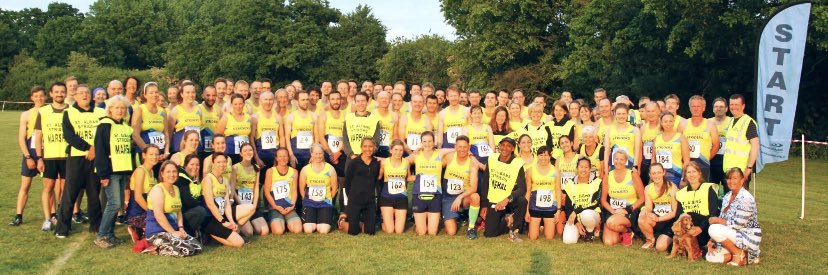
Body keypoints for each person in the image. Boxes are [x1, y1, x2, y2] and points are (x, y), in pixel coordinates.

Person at [55, 84, 105, 238]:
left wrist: (95, 149)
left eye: (87, 93)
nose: (84, 95)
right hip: (76, 158)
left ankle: (96, 226)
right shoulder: (68, 112)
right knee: (70, 194)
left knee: (94, 193)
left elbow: (104, 134)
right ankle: (62, 228)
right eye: (81, 93)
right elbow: (69, 136)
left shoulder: (100, 112)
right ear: (75, 96)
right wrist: (88, 147)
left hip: (95, 157)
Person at [93, 95, 135, 248]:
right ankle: (102, 235)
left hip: (123, 170)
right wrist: (103, 174)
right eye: (117, 107)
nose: (120, 110)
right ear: (110, 109)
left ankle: (110, 234)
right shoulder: (105, 125)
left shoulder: (124, 125)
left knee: (117, 205)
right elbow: (101, 150)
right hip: (111, 171)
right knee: (114, 203)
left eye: (123, 108)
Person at [144, 161, 202, 256]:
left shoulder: (176, 188)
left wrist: (181, 228)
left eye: (174, 171)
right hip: (157, 232)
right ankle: (154, 249)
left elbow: (178, 211)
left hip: (173, 231)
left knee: (198, 247)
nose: (172, 174)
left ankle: (162, 247)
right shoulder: (158, 189)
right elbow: (158, 215)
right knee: (188, 250)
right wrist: (173, 232)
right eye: (168, 172)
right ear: (162, 174)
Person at [708, 168, 761, 266]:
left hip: (746, 235)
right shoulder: (727, 195)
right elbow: (723, 218)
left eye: (735, 178)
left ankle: (738, 253)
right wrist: (711, 240)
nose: (731, 181)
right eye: (729, 178)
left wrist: (716, 220)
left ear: (742, 180)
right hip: (732, 235)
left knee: (713, 228)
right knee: (710, 257)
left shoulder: (746, 198)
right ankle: (742, 255)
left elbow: (737, 225)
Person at [34, 82, 68, 231]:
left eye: (62, 92)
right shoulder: (43, 111)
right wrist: (39, 158)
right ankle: (48, 218)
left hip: (68, 157)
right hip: (49, 157)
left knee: (66, 190)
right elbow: (38, 136)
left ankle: (63, 217)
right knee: (48, 188)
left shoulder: (71, 111)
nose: (59, 94)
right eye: (57, 92)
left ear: (66, 93)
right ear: (51, 94)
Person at [10, 86, 46, 226]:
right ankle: (19, 215)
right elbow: (21, 138)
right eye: (36, 96)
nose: (39, 98)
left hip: (46, 153)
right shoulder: (26, 114)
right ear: (32, 98)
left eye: (41, 95)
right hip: (30, 154)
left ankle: (50, 216)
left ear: (46, 97)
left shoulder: (49, 112)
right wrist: (28, 157)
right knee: (25, 186)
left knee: (48, 188)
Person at [483, 137, 527, 242]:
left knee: (522, 201)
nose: (505, 148)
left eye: (508, 146)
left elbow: (522, 188)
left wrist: (507, 199)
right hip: (494, 199)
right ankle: (507, 220)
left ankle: (515, 230)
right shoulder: (492, 159)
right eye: (503, 145)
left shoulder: (517, 163)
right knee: (489, 234)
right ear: (499, 146)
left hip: (509, 200)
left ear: (512, 149)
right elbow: (485, 182)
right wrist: (484, 205)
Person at [600, 150, 645, 246]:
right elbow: (603, 201)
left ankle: (628, 230)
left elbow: (642, 198)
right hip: (614, 211)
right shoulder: (608, 176)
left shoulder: (633, 174)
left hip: (629, 211)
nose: (618, 162)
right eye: (616, 159)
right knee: (609, 242)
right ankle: (623, 231)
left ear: (626, 161)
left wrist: (627, 209)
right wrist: (613, 211)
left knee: (611, 223)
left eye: (621, 159)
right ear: (613, 160)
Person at [201, 152, 246, 247]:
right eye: (218, 162)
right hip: (210, 218)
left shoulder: (225, 180)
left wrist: (231, 221)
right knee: (239, 243)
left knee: (250, 208)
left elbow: (227, 204)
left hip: (221, 217)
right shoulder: (208, 179)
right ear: (213, 163)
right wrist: (223, 222)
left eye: (224, 162)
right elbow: (210, 204)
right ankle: (210, 234)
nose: (222, 165)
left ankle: (220, 236)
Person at [440, 136, 481, 239]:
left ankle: (471, 228)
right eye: (459, 147)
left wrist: (459, 197)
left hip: (463, 197)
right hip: (448, 197)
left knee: (475, 197)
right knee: (451, 232)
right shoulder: (450, 157)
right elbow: (437, 157)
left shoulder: (472, 163)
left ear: (469, 147)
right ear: (455, 147)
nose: (462, 149)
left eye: (465, 147)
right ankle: (458, 214)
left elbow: (473, 188)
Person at [676, 162, 720, 254]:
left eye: (694, 171)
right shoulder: (681, 193)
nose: (691, 175)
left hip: (706, 225)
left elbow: (714, 213)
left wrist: (700, 228)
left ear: (699, 173)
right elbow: (679, 215)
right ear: (685, 175)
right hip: (689, 226)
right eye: (688, 172)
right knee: (688, 217)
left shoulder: (708, 189)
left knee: (692, 215)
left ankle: (706, 244)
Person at [637, 163, 678, 251]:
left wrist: (659, 219)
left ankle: (668, 237)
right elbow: (648, 207)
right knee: (641, 217)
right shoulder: (648, 188)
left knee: (660, 247)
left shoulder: (673, 188)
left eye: (659, 172)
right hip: (657, 218)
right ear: (650, 175)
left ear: (664, 172)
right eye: (654, 173)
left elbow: (675, 212)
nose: (656, 176)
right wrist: (644, 211)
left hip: (670, 221)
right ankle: (651, 239)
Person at [344, 138, 381, 235]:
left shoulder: (376, 163)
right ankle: (342, 221)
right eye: (365, 146)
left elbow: (377, 179)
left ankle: (360, 222)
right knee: (353, 232)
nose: (367, 149)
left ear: (374, 148)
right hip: (355, 200)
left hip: (369, 202)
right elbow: (347, 182)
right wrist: (351, 198)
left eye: (370, 146)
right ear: (361, 147)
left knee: (370, 232)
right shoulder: (353, 163)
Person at [409, 131, 443, 236]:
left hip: (435, 194)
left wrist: (470, 153)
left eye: (429, 141)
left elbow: (456, 149)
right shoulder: (416, 156)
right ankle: (420, 222)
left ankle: (428, 218)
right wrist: (413, 177)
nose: (427, 144)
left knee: (432, 233)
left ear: (434, 142)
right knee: (422, 232)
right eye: (424, 141)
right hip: (419, 195)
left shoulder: (440, 154)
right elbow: (401, 162)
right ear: (421, 142)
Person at [299, 144, 338, 234]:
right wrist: (306, 200)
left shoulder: (330, 169)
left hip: (325, 203)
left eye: (320, 153)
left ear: (323, 154)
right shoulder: (305, 169)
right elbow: (301, 189)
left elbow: (335, 188)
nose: (318, 156)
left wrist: (328, 200)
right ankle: (313, 217)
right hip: (310, 203)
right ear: (311, 154)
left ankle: (323, 216)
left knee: (323, 230)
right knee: (308, 230)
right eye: (316, 153)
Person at [124, 145, 160, 242]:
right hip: (137, 213)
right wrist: (153, 212)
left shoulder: (152, 172)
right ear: (144, 155)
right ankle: (135, 228)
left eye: (157, 154)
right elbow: (138, 197)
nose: (154, 157)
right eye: (151, 154)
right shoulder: (141, 171)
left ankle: (141, 231)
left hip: (148, 210)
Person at [722, 94, 758, 191]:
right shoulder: (731, 121)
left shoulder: (748, 122)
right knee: (729, 201)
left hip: (740, 171)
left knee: (740, 203)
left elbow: (755, 146)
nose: (733, 107)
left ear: (743, 106)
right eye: (731, 104)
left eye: (736, 104)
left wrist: (749, 168)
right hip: (728, 170)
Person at [562, 158, 602, 244]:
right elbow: (568, 207)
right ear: (577, 168)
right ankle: (581, 232)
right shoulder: (570, 184)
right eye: (581, 167)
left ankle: (590, 231)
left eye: (586, 167)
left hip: (592, 215)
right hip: (576, 217)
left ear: (590, 168)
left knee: (586, 214)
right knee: (568, 241)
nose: (583, 169)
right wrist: (576, 222)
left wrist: (576, 211)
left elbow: (595, 203)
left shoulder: (597, 182)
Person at [526, 146, 562, 240]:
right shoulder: (530, 170)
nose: (543, 158)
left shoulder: (555, 171)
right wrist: (526, 211)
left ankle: (544, 227)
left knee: (549, 237)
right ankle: (537, 227)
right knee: (533, 237)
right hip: (535, 206)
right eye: (541, 155)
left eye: (546, 155)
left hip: (550, 206)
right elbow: (528, 191)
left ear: (550, 156)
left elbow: (558, 190)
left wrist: (558, 210)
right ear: (537, 156)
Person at [232, 143, 269, 236]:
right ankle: (236, 226)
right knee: (249, 232)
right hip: (239, 204)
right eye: (245, 151)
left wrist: (254, 205)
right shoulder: (235, 167)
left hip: (251, 204)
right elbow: (232, 189)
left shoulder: (256, 168)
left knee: (264, 231)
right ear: (241, 154)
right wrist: (242, 205)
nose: (248, 153)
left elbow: (256, 187)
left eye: (250, 150)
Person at [263, 148, 302, 235]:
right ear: (276, 158)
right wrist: (275, 206)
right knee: (278, 231)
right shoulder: (270, 171)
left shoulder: (294, 172)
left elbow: (294, 191)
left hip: (289, 207)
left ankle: (285, 221)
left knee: (297, 230)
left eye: (285, 156)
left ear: (288, 157)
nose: (283, 158)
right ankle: (277, 221)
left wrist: (292, 206)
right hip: (275, 207)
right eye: (280, 156)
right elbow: (266, 192)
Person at [684, 95, 720, 182]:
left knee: (703, 191)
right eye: (693, 106)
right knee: (688, 191)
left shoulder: (710, 124)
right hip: (687, 165)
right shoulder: (683, 124)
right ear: (690, 108)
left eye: (698, 106)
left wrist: (706, 158)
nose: (696, 109)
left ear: (703, 108)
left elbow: (716, 145)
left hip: (703, 165)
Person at [132, 82, 170, 162]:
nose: (154, 95)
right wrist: (148, 152)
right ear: (145, 95)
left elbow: (166, 133)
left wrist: (166, 151)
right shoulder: (140, 110)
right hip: (144, 154)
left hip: (160, 154)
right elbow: (135, 135)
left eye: (156, 92)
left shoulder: (162, 111)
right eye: (151, 93)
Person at [173, 154, 209, 237]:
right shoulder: (181, 178)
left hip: (187, 211)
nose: (195, 167)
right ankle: (187, 234)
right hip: (178, 214)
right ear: (185, 165)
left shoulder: (193, 179)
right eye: (192, 164)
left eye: (197, 165)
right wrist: (201, 204)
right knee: (201, 211)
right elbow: (187, 201)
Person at [379, 140, 409, 234]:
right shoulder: (384, 162)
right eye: (396, 149)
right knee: (390, 230)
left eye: (401, 150)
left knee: (399, 231)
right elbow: (379, 177)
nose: (398, 152)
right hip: (386, 198)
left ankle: (394, 219)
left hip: (401, 198)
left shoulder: (406, 162)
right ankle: (383, 222)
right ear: (391, 150)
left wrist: (421, 175)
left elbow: (408, 178)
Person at [652, 112, 690, 186]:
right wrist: (652, 174)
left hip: (675, 175)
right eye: (665, 121)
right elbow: (653, 158)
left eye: (670, 121)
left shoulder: (680, 137)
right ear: (661, 123)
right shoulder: (657, 138)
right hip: (659, 176)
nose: (668, 124)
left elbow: (686, 160)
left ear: (674, 122)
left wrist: (683, 178)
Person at [603, 104, 641, 174]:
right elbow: (607, 150)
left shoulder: (635, 130)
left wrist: (635, 166)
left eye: (623, 113)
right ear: (614, 114)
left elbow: (637, 150)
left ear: (627, 114)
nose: (621, 116)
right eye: (619, 114)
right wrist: (605, 167)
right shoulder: (609, 130)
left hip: (630, 163)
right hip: (614, 164)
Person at [342, 92, 381, 158]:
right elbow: (345, 139)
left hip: (368, 157)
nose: (360, 104)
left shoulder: (374, 119)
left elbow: (376, 141)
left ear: (367, 102)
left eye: (363, 101)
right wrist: (351, 154)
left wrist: (367, 154)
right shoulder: (348, 118)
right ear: (355, 102)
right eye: (358, 101)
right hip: (351, 157)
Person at [251, 91, 283, 174]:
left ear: (274, 101)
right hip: (260, 155)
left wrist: (280, 158)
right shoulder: (255, 117)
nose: (268, 102)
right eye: (265, 99)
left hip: (274, 156)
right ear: (260, 101)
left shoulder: (278, 117)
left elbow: (282, 138)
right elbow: (251, 139)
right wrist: (256, 158)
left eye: (270, 99)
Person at [285, 90, 317, 170]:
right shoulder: (291, 117)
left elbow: (316, 137)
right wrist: (291, 155)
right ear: (296, 102)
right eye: (303, 100)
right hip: (296, 155)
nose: (306, 102)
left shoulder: (314, 116)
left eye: (307, 100)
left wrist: (314, 155)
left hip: (310, 156)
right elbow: (287, 139)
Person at [166, 82, 201, 154]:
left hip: (195, 150)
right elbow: (169, 133)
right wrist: (167, 151)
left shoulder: (198, 110)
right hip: (179, 150)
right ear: (182, 94)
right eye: (187, 92)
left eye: (193, 92)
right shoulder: (175, 111)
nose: (191, 95)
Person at [216, 94, 253, 163]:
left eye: (240, 104)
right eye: (235, 104)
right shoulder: (226, 118)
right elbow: (217, 136)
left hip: (245, 154)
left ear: (244, 104)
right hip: (230, 153)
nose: (238, 107)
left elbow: (251, 137)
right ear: (231, 104)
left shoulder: (249, 118)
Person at [709, 97, 732, 186]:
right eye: (716, 106)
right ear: (713, 109)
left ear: (726, 109)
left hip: (727, 160)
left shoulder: (732, 122)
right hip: (711, 160)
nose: (718, 109)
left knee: (728, 188)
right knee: (711, 189)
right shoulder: (708, 122)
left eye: (721, 106)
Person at [639, 102, 661, 185]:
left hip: (660, 161)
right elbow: (640, 149)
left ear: (658, 111)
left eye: (653, 111)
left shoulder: (663, 126)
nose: (650, 114)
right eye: (648, 111)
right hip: (645, 163)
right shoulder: (643, 128)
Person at [371, 91, 397, 157]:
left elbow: (395, 135)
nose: (384, 100)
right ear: (377, 100)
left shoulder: (394, 115)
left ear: (390, 100)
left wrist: (392, 150)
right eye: (382, 98)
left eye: (386, 98)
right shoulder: (372, 114)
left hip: (388, 148)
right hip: (374, 148)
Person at [200, 85, 222, 160]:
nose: (211, 98)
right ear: (203, 96)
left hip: (214, 149)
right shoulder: (198, 108)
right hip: (200, 149)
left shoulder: (218, 110)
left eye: (214, 95)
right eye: (208, 95)